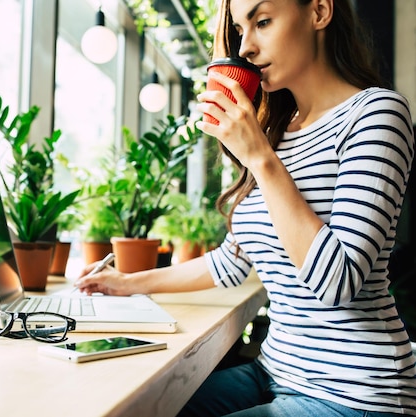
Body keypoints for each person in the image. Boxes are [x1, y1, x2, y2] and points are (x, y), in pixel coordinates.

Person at [74, 0, 416, 415]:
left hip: (353, 392)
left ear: (320, 12)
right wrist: (128, 282)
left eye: (263, 21)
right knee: (141, 405)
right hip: (277, 371)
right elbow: (231, 261)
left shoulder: (376, 114)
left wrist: (260, 159)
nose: (246, 48)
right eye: (240, 30)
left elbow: (337, 282)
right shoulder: (277, 134)